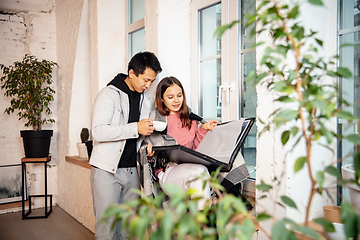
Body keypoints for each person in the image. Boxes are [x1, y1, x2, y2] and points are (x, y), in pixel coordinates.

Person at [89, 51, 162, 240]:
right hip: (106, 171)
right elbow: (98, 131)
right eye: (146, 80)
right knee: (106, 230)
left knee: (128, 231)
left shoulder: (146, 99)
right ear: (132, 73)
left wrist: (147, 143)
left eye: (152, 81)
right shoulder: (108, 95)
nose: (148, 85)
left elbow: (141, 134)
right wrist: (135, 128)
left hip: (132, 172)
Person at [146, 76, 220, 210]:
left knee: (201, 171)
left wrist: (202, 130)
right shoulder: (156, 120)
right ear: (162, 98)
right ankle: (206, 226)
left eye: (179, 95)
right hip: (167, 171)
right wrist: (149, 154)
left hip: (191, 168)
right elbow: (146, 149)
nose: (176, 100)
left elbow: (194, 150)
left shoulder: (190, 118)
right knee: (200, 172)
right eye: (170, 97)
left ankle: (203, 225)